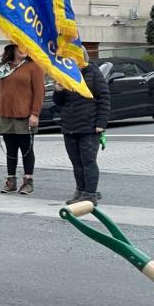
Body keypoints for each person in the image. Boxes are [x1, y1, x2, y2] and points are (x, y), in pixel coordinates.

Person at [0, 43, 45, 195]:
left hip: (25, 116)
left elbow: (39, 92)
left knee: (26, 149)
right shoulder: (4, 68)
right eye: (20, 47)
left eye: (26, 47)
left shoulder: (34, 67)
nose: (24, 50)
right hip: (5, 115)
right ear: (12, 49)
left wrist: (35, 114)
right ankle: (11, 181)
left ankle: (28, 181)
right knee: (10, 149)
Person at [54, 59, 110, 205]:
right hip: (70, 126)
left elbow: (104, 98)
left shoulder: (93, 73)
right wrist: (58, 91)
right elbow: (59, 102)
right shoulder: (65, 74)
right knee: (76, 163)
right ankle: (81, 191)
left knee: (88, 161)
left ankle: (90, 193)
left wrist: (101, 123)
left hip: (89, 127)